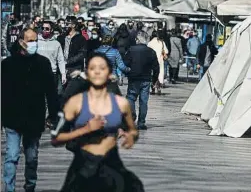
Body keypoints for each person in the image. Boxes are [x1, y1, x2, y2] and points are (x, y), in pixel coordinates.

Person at [51, 53, 144, 192]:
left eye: (102, 68)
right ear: (87, 73)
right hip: (83, 167)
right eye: (93, 68)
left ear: (109, 73)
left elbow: (132, 129)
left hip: (112, 165)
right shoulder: (75, 103)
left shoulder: (120, 103)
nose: (97, 71)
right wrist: (85, 129)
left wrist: (130, 136)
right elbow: (56, 138)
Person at [2, 28, 58, 192]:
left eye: (35, 40)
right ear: (21, 42)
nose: (34, 44)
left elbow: (51, 91)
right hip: (12, 118)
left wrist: (53, 115)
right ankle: (9, 189)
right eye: (30, 40)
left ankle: (30, 186)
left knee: (32, 157)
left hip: (34, 118)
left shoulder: (43, 63)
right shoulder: (7, 64)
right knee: (12, 156)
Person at [124, 32, 159, 128]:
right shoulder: (151, 51)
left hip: (134, 78)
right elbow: (156, 67)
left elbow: (125, 64)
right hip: (146, 79)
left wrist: (127, 74)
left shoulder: (131, 50)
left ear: (138, 40)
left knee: (131, 97)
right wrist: (155, 79)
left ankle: (132, 115)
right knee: (143, 101)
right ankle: (141, 122)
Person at [37, 21, 67, 106]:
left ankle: (48, 117)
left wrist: (63, 74)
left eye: (47, 29)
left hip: (52, 74)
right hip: (38, 73)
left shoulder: (56, 44)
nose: (44, 30)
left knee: (50, 96)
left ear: (51, 30)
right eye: (43, 28)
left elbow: (60, 60)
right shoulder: (36, 42)